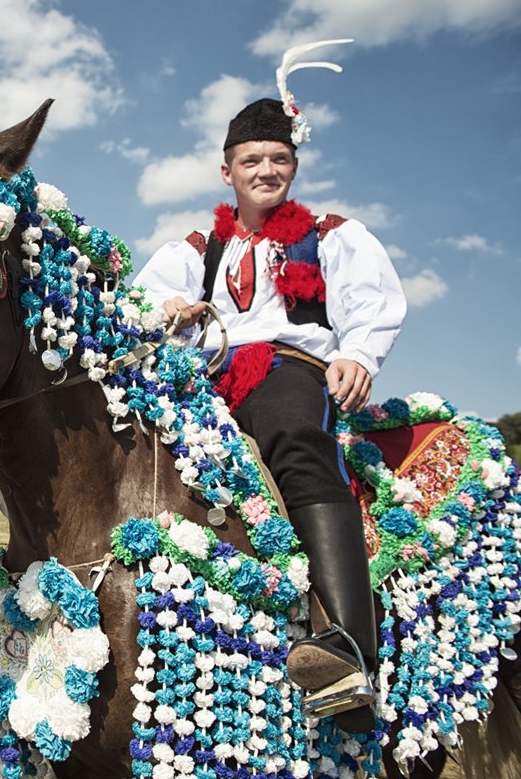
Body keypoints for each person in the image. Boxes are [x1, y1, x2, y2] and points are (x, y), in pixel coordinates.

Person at [132, 77, 406, 730]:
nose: (266, 170)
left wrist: (357, 355)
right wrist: (171, 311)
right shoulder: (197, 250)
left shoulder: (328, 234)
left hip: (290, 367)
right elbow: (140, 306)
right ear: (226, 170)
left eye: (278, 159)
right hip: (209, 377)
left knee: (292, 433)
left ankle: (348, 651)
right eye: (252, 160)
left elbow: (372, 305)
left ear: (295, 167)